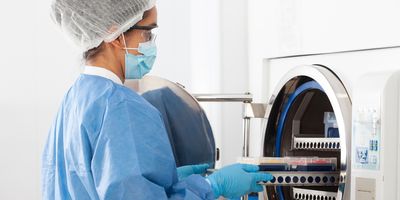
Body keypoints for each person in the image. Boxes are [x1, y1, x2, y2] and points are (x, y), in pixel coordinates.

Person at [42, 0, 273, 199]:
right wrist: (211, 187)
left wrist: (171, 182)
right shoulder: (122, 108)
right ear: (114, 34)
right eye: (147, 32)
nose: (151, 42)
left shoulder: (74, 99)